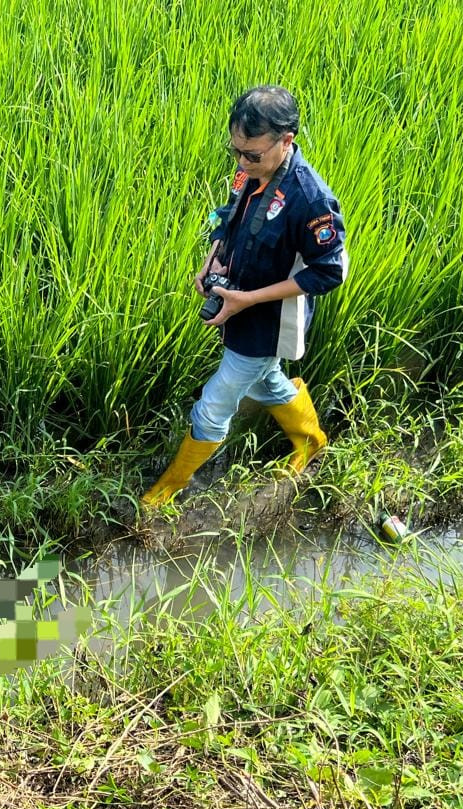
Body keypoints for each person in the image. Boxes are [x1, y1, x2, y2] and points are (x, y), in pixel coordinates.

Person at [141, 85, 348, 508]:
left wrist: (249, 299)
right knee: (267, 381)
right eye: (235, 150)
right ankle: (312, 443)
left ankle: (166, 491)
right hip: (237, 302)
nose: (242, 162)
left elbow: (330, 271)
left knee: (215, 403)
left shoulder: (310, 199)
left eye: (251, 154)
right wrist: (211, 262)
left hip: (268, 322)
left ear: (286, 141)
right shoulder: (250, 171)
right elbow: (230, 220)